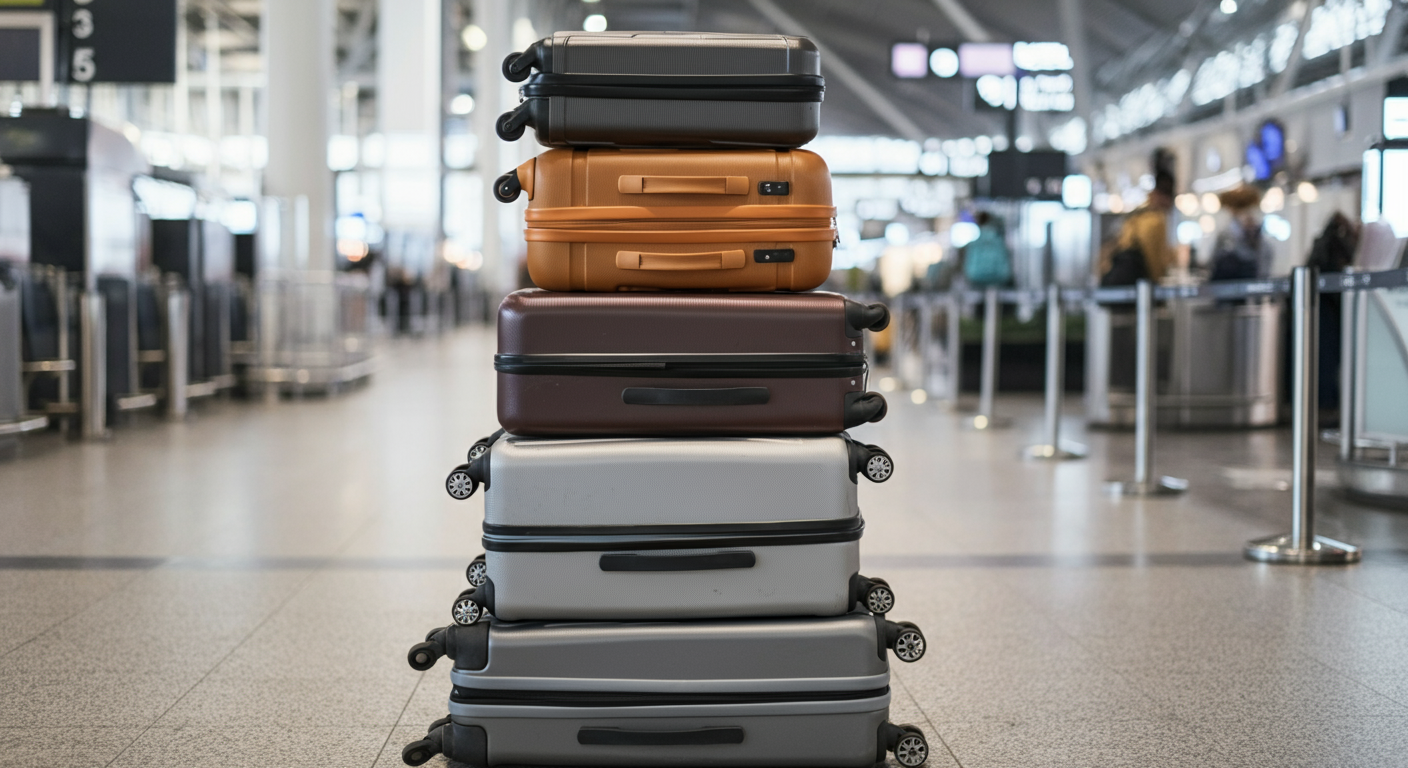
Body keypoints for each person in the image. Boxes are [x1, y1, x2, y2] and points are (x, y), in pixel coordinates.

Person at [1306, 212, 1359, 412]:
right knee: (1328, 360)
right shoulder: (1338, 245)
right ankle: (1327, 402)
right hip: (1329, 311)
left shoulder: (1322, 243)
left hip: (1318, 308)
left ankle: (1322, 403)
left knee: (1321, 359)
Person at [1101, 172, 1175, 286]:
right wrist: (1157, 284)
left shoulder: (1136, 215)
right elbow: (1153, 258)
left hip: (1123, 278)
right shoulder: (1155, 221)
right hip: (1139, 282)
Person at [1209, 185, 1273, 280]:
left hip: (1249, 283)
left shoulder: (1255, 231)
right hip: (1231, 285)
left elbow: (1264, 258)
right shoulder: (1227, 233)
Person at [962, 211, 1012, 287]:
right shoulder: (1000, 242)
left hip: (976, 280)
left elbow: (970, 269)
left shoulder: (974, 244)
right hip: (999, 281)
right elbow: (1005, 268)